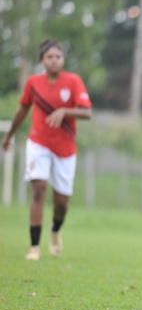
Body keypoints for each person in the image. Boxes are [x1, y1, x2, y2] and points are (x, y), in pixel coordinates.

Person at [1, 39, 92, 261]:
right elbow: (23, 109)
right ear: (42, 60)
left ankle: (55, 231)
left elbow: (87, 113)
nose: (54, 61)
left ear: (63, 60)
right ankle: (34, 247)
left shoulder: (73, 81)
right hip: (39, 142)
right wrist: (9, 135)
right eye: (49, 57)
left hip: (65, 148)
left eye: (58, 57)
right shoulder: (34, 83)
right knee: (39, 188)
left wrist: (65, 111)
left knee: (61, 202)